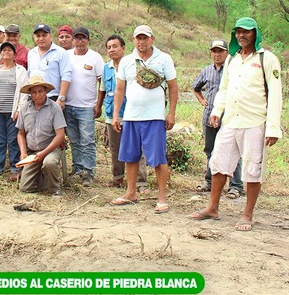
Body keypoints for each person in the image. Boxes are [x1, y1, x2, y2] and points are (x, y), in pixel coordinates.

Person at [189, 17, 283, 231]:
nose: (242, 35)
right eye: (238, 32)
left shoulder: (266, 58)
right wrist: (216, 111)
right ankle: (212, 208)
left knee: (252, 169)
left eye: (246, 32)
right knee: (218, 162)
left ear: (255, 34)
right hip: (230, 121)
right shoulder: (232, 59)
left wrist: (273, 127)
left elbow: (276, 94)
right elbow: (224, 89)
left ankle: (247, 214)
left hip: (255, 121)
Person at [111, 25, 178, 214]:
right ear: (133, 40)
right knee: (130, 156)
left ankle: (162, 197)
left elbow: (173, 87)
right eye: (138, 38)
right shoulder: (126, 61)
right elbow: (120, 90)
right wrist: (117, 114)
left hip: (155, 117)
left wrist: (171, 113)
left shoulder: (164, 59)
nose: (142, 42)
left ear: (152, 39)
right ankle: (131, 193)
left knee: (157, 158)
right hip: (131, 117)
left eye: (145, 38)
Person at [191, 39, 243, 197]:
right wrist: (201, 100)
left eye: (220, 51)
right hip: (209, 117)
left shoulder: (235, 68)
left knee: (234, 151)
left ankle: (235, 186)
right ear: (211, 53)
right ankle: (210, 182)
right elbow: (195, 87)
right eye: (214, 51)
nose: (217, 54)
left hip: (230, 118)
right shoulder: (207, 70)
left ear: (227, 53)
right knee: (210, 151)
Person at [95, 35, 148, 189]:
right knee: (115, 148)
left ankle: (141, 182)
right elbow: (103, 90)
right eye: (109, 47)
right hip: (112, 114)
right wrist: (99, 107)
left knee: (137, 148)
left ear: (124, 48)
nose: (112, 50)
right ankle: (118, 178)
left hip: (133, 114)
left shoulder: (134, 65)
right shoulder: (106, 68)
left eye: (115, 46)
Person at [63, 26, 104, 186]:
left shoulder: (95, 57)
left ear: (88, 40)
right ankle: (77, 168)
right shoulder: (66, 56)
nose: (80, 41)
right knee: (74, 140)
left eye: (83, 38)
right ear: (73, 40)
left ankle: (88, 172)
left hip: (87, 106)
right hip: (68, 105)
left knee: (87, 140)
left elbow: (102, 83)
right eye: (77, 38)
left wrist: (98, 105)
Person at [0, 42, 28, 179]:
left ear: (14, 54)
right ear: (0, 54)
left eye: (10, 50)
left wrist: (19, 109)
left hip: (12, 111)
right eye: (4, 50)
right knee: (0, 140)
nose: (6, 52)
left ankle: (15, 167)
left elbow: (24, 92)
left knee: (13, 139)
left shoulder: (20, 71)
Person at [15, 75, 67, 194]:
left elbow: (60, 135)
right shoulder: (24, 108)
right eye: (34, 92)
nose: (37, 95)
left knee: (49, 162)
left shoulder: (55, 108)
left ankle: (55, 189)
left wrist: (43, 153)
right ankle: (42, 181)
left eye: (40, 91)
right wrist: (23, 153)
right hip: (33, 152)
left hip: (51, 149)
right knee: (25, 188)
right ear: (30, 94)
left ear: (45, 92)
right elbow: (20, 133)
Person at [26, 24, 72, 108]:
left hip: (52, 98)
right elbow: (29, 75)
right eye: (38, 36)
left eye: (44, 35)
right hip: (33, 99)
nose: (41, 38)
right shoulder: (31, 53)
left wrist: (61, 98)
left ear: (50, 36)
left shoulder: (61, 53)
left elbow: (66, 76)